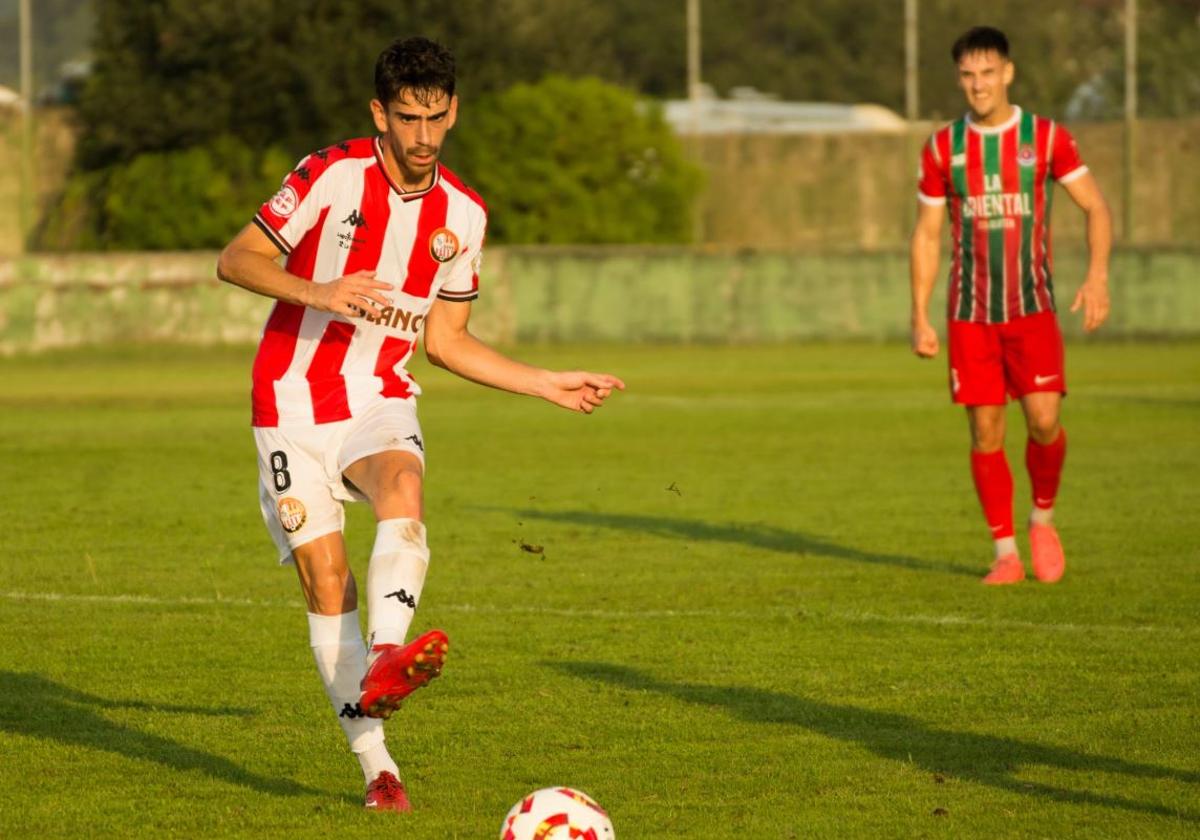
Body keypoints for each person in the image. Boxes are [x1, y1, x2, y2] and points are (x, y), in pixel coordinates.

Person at [216, 36, 624, 811]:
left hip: (378, 393)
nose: (424, 137)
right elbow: (235, 260)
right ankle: (378, 769)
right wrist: (322, 290)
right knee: (327, 582)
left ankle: (386, 657)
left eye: (437, 117)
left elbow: (445, 343)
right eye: (407, 118)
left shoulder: (463, 215)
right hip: (290, 404)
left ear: (455, 110)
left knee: (404, 481)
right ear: (381, 113)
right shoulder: (330, 174)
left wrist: (547, 384)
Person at [909, 26, 1111, 586]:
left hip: (1033, 307)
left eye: (988, 72)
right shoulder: (942, 148)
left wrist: (1096, 277)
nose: (979, 85)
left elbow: (1096, 207)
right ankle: (1005, 553)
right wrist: (920, 314)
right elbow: (927, 235)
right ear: (959, 79)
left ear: (1008, 73)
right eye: (969, 75)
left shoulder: (1045, 138)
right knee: (986, 432)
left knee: (1045, 420)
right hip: (971, 315)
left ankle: (1042, 520)